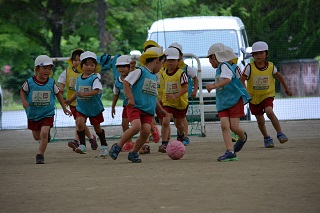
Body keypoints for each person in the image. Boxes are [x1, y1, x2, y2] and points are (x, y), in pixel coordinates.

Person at [109, 48, 167, 163]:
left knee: (145, 131)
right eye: (162, 63)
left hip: (148, 111)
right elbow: (126, 82)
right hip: (135, 107)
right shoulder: (140, 71)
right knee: (136, 127)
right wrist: (130, 98)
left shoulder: (154, 77)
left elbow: (153, 95)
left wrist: (160, 109)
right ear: (156, 61)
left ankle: (134, 153)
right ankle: (118, 146)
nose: (161, 67)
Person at [20, 55, 72, 164]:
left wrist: (64, 108)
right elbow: (22, 91)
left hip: (47, 113)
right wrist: (24, 100)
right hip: (33, 114)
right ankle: (45, 134)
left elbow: (58, 94)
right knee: (36, 137)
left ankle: (40, 155)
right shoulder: (29, 82)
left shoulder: (51, 83)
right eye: (44, 68)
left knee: (43, 133)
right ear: (37, 69)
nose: (47, 71)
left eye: (49, 68)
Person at [240, 41, 292, 148]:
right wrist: (245, 92)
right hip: (253, 98)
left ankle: (280, 133)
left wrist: (286, 88)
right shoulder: (249, 67)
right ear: (252, 55)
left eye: (261, 53)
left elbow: (279, 76)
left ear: (266, 54)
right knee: (260, 120)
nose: (258, 56)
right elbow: (242, 80)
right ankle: (266, 137)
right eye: (255, 54)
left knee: (269, 111)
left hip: (267, 95)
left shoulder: (271, 66)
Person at [205, 43, 250, 162]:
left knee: (234, 128)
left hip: (234, 100)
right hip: (223, 103)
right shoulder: (219, 69)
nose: (209, 62)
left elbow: (227, 79)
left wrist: (214, 86)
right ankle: (230, 152)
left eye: (209, 58)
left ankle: (243, 137)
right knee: (224, 126)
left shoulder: (224, 65)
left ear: (214, 56)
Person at [65, 51, 109, 157]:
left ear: (95, 66)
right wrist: (71, 100)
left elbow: (96, 91)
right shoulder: (79, 79)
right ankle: (82, 145)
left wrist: (84, 94)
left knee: (97, 128)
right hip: (82, 107)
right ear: (81, 65)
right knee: (79, 123)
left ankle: (104, 145)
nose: (89, 67)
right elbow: (77, 92)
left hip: (94, 108)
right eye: (86, 64)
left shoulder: (95, 78)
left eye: (92, 65)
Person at [57, 49, 98, 152]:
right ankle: (91, 138)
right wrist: (61, 89)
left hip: (83, 101)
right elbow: (61, 84)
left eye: (80, 60)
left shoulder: (86, 73)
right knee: (80, 123)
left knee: (79, 122)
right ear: (72, 61)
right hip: (72, 102)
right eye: (75, 60)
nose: (77, 62)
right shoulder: (67, 71)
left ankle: (76, 140)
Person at [158, 47, 189, 153]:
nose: (170, 62)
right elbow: (162, 87)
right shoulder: (163, 73)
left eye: (173, 60)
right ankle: (164, 143)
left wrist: (176, 95)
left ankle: (181, 135)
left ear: (178, 61)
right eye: (168, 60)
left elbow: (185, 88)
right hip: (167, 103)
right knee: (165, 121)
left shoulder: (181, 74)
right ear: (164, 61)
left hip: (180, 103)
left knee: (179, 125)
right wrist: (161, 98)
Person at [168, 42, 199, 146]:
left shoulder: (186, 68)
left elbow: (195, 77)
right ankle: (178, 134)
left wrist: (194, 90)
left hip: (182, 97)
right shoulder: (166, 67)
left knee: (182, 117)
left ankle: (185, 135)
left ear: (180, 55)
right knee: (172, 117)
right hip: (169, 96)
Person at [111, 55, 135, 152]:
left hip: (138, 105)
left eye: (124, 66)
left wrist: (133, 68)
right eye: (119, 67)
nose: (121, 69)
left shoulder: (133, 77)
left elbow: (134, 75)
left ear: (129, 67)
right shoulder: (117, 81)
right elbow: (116, 95)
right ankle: (129, 142)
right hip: (127, 105)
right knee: (124, 124)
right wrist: (113, 107)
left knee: (138, 125)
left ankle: (145, 140)